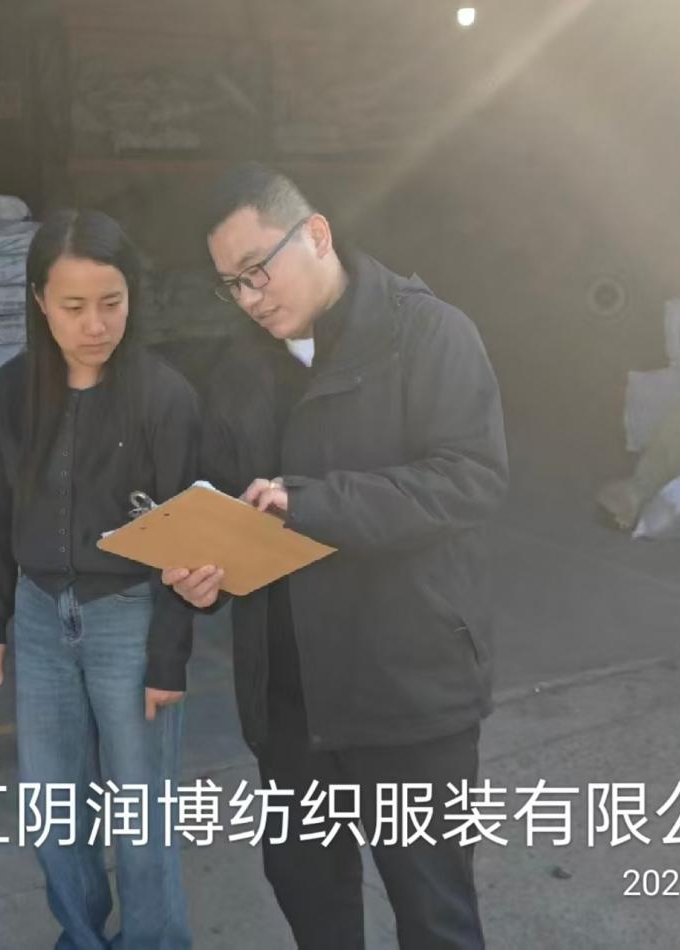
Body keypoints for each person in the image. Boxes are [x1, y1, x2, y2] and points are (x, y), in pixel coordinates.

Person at [164, 164, 509, 949]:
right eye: (231, 285)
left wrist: (311, 503)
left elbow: (469, 479)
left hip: (404, 689)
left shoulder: (427, 334)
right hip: (289, 696)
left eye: (257, 270)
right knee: (308, 894)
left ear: (315, 234)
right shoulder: (240, 368)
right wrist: (205, 573)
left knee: (433, 911)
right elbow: (229, 500)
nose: (249, 299)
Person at [0, 209, 198, 950]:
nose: (95, 325)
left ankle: (154, 942)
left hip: (127, 614)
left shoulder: (164, 397)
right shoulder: (10, 392)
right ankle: (81, 936)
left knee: (140, 811)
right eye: (73, 306)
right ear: (40, 300)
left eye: (111, 302)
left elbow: (188, 538)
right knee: (53, 807)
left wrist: (167, 658)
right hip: (39, 615)